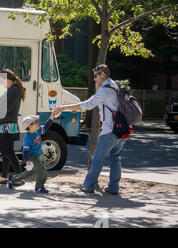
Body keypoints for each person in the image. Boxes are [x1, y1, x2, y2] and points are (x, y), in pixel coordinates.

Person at [57, 64, 126, 195]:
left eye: (96, 76)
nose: (94, 79)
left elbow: (87, 105)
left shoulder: (105, 90)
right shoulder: (115, 85)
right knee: (115, 157)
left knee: (97, 158)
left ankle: (88, 185)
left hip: (110, 129)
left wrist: (64, 108)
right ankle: (114, 187)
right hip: (123, 129)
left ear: (103, 75)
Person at [8, 110, 60, 193]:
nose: (37, 123)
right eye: (35, 122)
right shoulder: (28, 138)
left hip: (35, 156)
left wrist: (51, 117)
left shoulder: (37, 130)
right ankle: (39, 187)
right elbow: (25, 151)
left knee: (30, 172)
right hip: (31, 156)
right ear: (29, 126)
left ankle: (13, 179)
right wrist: (26, 160)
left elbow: (46, 127)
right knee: (43, 170)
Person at [0, 69, 25, 185]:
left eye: (1, 81)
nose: (1, 84)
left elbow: (8, 107)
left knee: (9, 152)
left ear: (7, 79)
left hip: (9, 126)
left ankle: (20, 177)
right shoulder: (11, 90)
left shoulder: (14, 90)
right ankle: (4, 176)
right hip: (5, 125)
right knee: (5, 153)